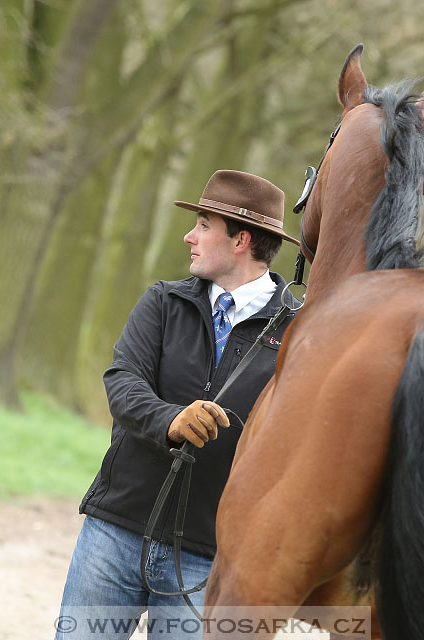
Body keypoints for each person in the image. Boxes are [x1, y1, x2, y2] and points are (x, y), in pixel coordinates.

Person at [55, 170, 301, 639]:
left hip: (207, 557)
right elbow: (123, 382)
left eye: (204, 225)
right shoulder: (163, 302)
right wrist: (172, 419)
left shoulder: (296, 336)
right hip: (114, 531)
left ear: (240, 241)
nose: (190, 236)